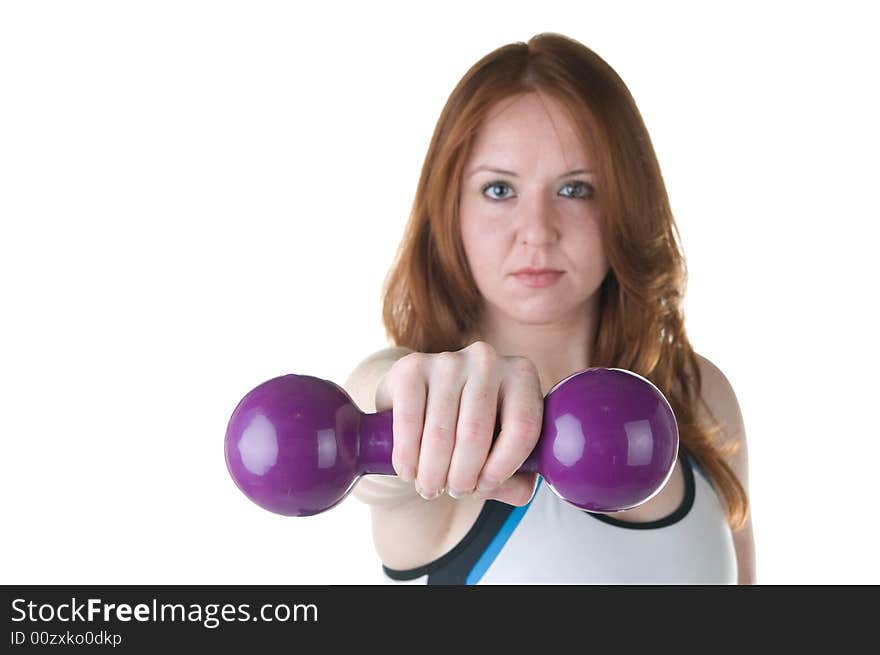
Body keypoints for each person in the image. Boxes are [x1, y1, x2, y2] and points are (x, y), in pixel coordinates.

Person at [343, 32, 756, 584]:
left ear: (625, 206)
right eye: (498, 190)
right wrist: (394, 390)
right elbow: (375, 418)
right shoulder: (436, 426)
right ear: (450, 209)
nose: (537, 232)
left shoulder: (699, 395)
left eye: (576, 190)